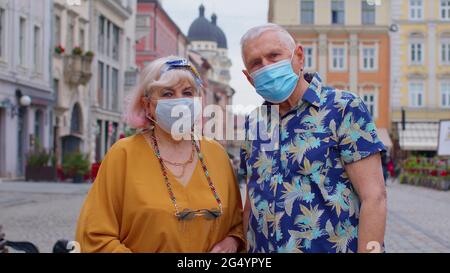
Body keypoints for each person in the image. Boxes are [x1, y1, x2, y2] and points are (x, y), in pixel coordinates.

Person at [239, 24, 387, 253]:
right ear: (249, 78)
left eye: (274, 56)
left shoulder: (343, 108)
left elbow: (374, 197)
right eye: (256, 63)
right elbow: (251, 201)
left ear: (299, 56)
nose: (266, 67)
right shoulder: (254, 124)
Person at [76, 56, 245, 253]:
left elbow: (238, 224)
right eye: (167, 93)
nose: (179, 101)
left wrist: (233, 241)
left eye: (188, 93)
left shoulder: (216, 154)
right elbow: (95, 234)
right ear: (147, 105)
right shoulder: (123, 155)